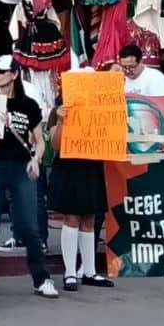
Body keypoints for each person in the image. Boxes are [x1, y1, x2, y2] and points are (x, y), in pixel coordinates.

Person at [0, 56, 58, 299]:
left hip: (22, 167)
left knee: (29, 227)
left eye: (0, 71)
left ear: (14, 74)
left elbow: (39, 140)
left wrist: (36, 159)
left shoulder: (29, 105)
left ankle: (42, 279)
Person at [48, 102, 115, 291]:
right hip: (69, 166)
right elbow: (56, 144)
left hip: (92, 165)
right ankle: (69, 272)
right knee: (71, 217)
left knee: (89, 217)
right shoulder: (59, 110)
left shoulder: (98, 110)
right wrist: (62, 120)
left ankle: (89, 271)